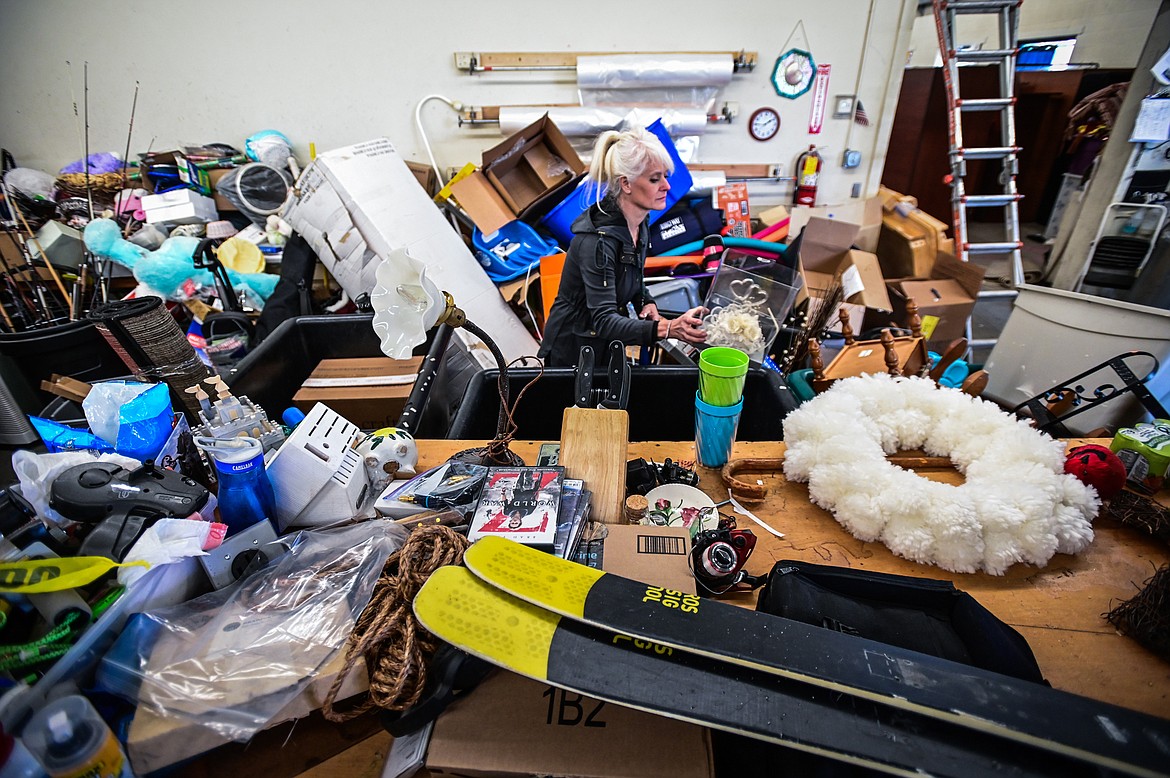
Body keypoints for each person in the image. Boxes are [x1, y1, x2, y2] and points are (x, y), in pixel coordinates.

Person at [538, 127, 707, 367]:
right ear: (626, 184)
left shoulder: (640, 222)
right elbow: (605, 320)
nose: (667, 187)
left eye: (666, 176)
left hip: (603, 342)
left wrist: (644, 300)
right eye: (654, 179)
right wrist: (669, 328)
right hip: (573, 351)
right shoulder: (597, 242)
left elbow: (631, 274)